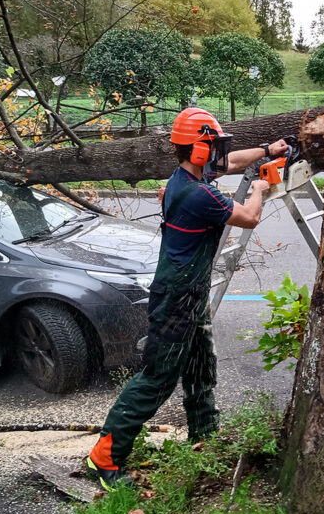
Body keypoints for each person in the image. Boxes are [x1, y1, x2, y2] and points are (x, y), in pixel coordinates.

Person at [87, 108, 288, 489]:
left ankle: (204, 438)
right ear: (197, 150)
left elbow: (229, 163)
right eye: (211, 146)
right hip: (177, 297)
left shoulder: (188, 176)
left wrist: (266, 149)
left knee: (200, 366)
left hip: (190, 292)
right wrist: (261, 188)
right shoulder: (198, 193)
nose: (218, 154)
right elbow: (248, 217)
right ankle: (105, 456)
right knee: (158, 378)